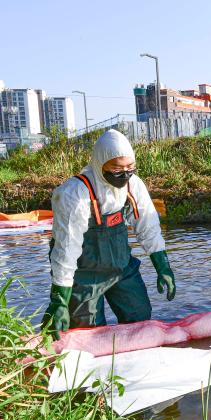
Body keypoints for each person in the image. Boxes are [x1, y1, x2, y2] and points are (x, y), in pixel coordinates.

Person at [42, 129, 175, 339]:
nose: (125, 174)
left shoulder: (133, 185)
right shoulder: (75, 193)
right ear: (99, 163)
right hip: (84, 274)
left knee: (140, 320)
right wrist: (58, 301)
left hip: (122, 267)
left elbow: (148, 226)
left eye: (130, 167)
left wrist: (163, 266)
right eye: (116, 168)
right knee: (89, 334)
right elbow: (66, 249)